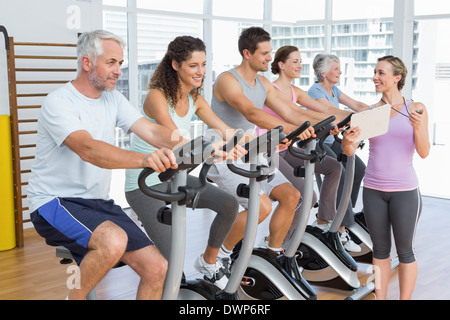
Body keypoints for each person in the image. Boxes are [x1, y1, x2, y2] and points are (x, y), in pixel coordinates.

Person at [27, 30, 181, 300]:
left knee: (157, 267)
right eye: (111, 62)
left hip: (97, 202)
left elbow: (153, 132)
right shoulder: (59, 102)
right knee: (113, 241)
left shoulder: (113, 99)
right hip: (54, 202)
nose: (118, 71)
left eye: (120, 64)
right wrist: (145, 159)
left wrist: (196, 145)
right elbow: (87, 149)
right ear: (87, 63)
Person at [208, 27, 342, 260]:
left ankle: (273, 254)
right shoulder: (227, 80)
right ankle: (218, 257)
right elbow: (250, 112)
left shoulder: (262, 83)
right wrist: (289, 130)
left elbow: (290, 111)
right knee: (260, 207)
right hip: (225, 155)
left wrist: (334, 122)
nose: (270, 58)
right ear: (247, 53)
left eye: (271, 52)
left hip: (254, 153)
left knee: (293, 197)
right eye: (265, 53)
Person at [125, 36, 246, 290]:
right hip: (144, 182)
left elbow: (224, 129)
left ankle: (209, 262)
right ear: (175, 65)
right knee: (172, 262)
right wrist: (210, 148)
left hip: (173, 175)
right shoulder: (156, 97)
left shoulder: (196, 99)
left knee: (228, 204)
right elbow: (173, 139)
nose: (201, 71)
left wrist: (253, 141)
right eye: (193, 65)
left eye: (203, 64)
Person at [342, 55, 430, 300]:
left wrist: (419, 127)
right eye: (375, 72)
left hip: (405, 191)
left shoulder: (416, 108)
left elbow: (424, 152)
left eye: (381, 73)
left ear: (397, 78)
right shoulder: (370, 113)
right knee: (379, 251)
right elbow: (349, 151)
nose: (375, 78)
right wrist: (347, 143)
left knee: (405, 252)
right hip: (373, 190)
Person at [256, 46, 360, 251]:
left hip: (285, 149)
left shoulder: (297, 91)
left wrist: (345, 120)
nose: (299, 65)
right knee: (306, 196)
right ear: (281, 65)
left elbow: (325, 109)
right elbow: (292, 115)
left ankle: (322, 219)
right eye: (294, 61)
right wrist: (329, 122)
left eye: (300, 61)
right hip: (267, 150)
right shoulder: (271, 90)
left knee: (334, 167)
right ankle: (275, 243)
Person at [308, 53, 368, 218]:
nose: (340, 72)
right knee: (340, 171)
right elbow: (332, 112)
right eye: (336, 69)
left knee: (358, 170)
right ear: (323, 73)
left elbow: (356, 104)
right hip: (317, 142)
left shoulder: (334, 89)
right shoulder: (315, 91)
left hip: (332, 139)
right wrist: (352, 117)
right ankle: (340, 220)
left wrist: (375, 111)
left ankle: (345, 211)